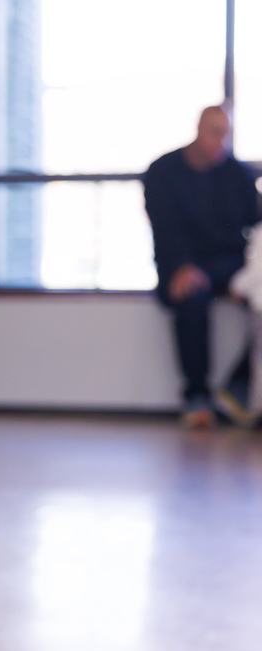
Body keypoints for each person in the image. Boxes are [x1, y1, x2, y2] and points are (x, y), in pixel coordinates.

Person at [144, 105, 262, 428]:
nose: (219, 141)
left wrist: (251, 280)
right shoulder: (163, 171)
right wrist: (182, 266)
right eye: (214, 132)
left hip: (231, 264)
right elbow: (165, 229)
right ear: (198, 129)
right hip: (181, 263)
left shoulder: (237, 174)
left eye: (225, 134)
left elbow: (255, 224)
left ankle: (239, 385)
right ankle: (196, 396)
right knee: (192, 295)